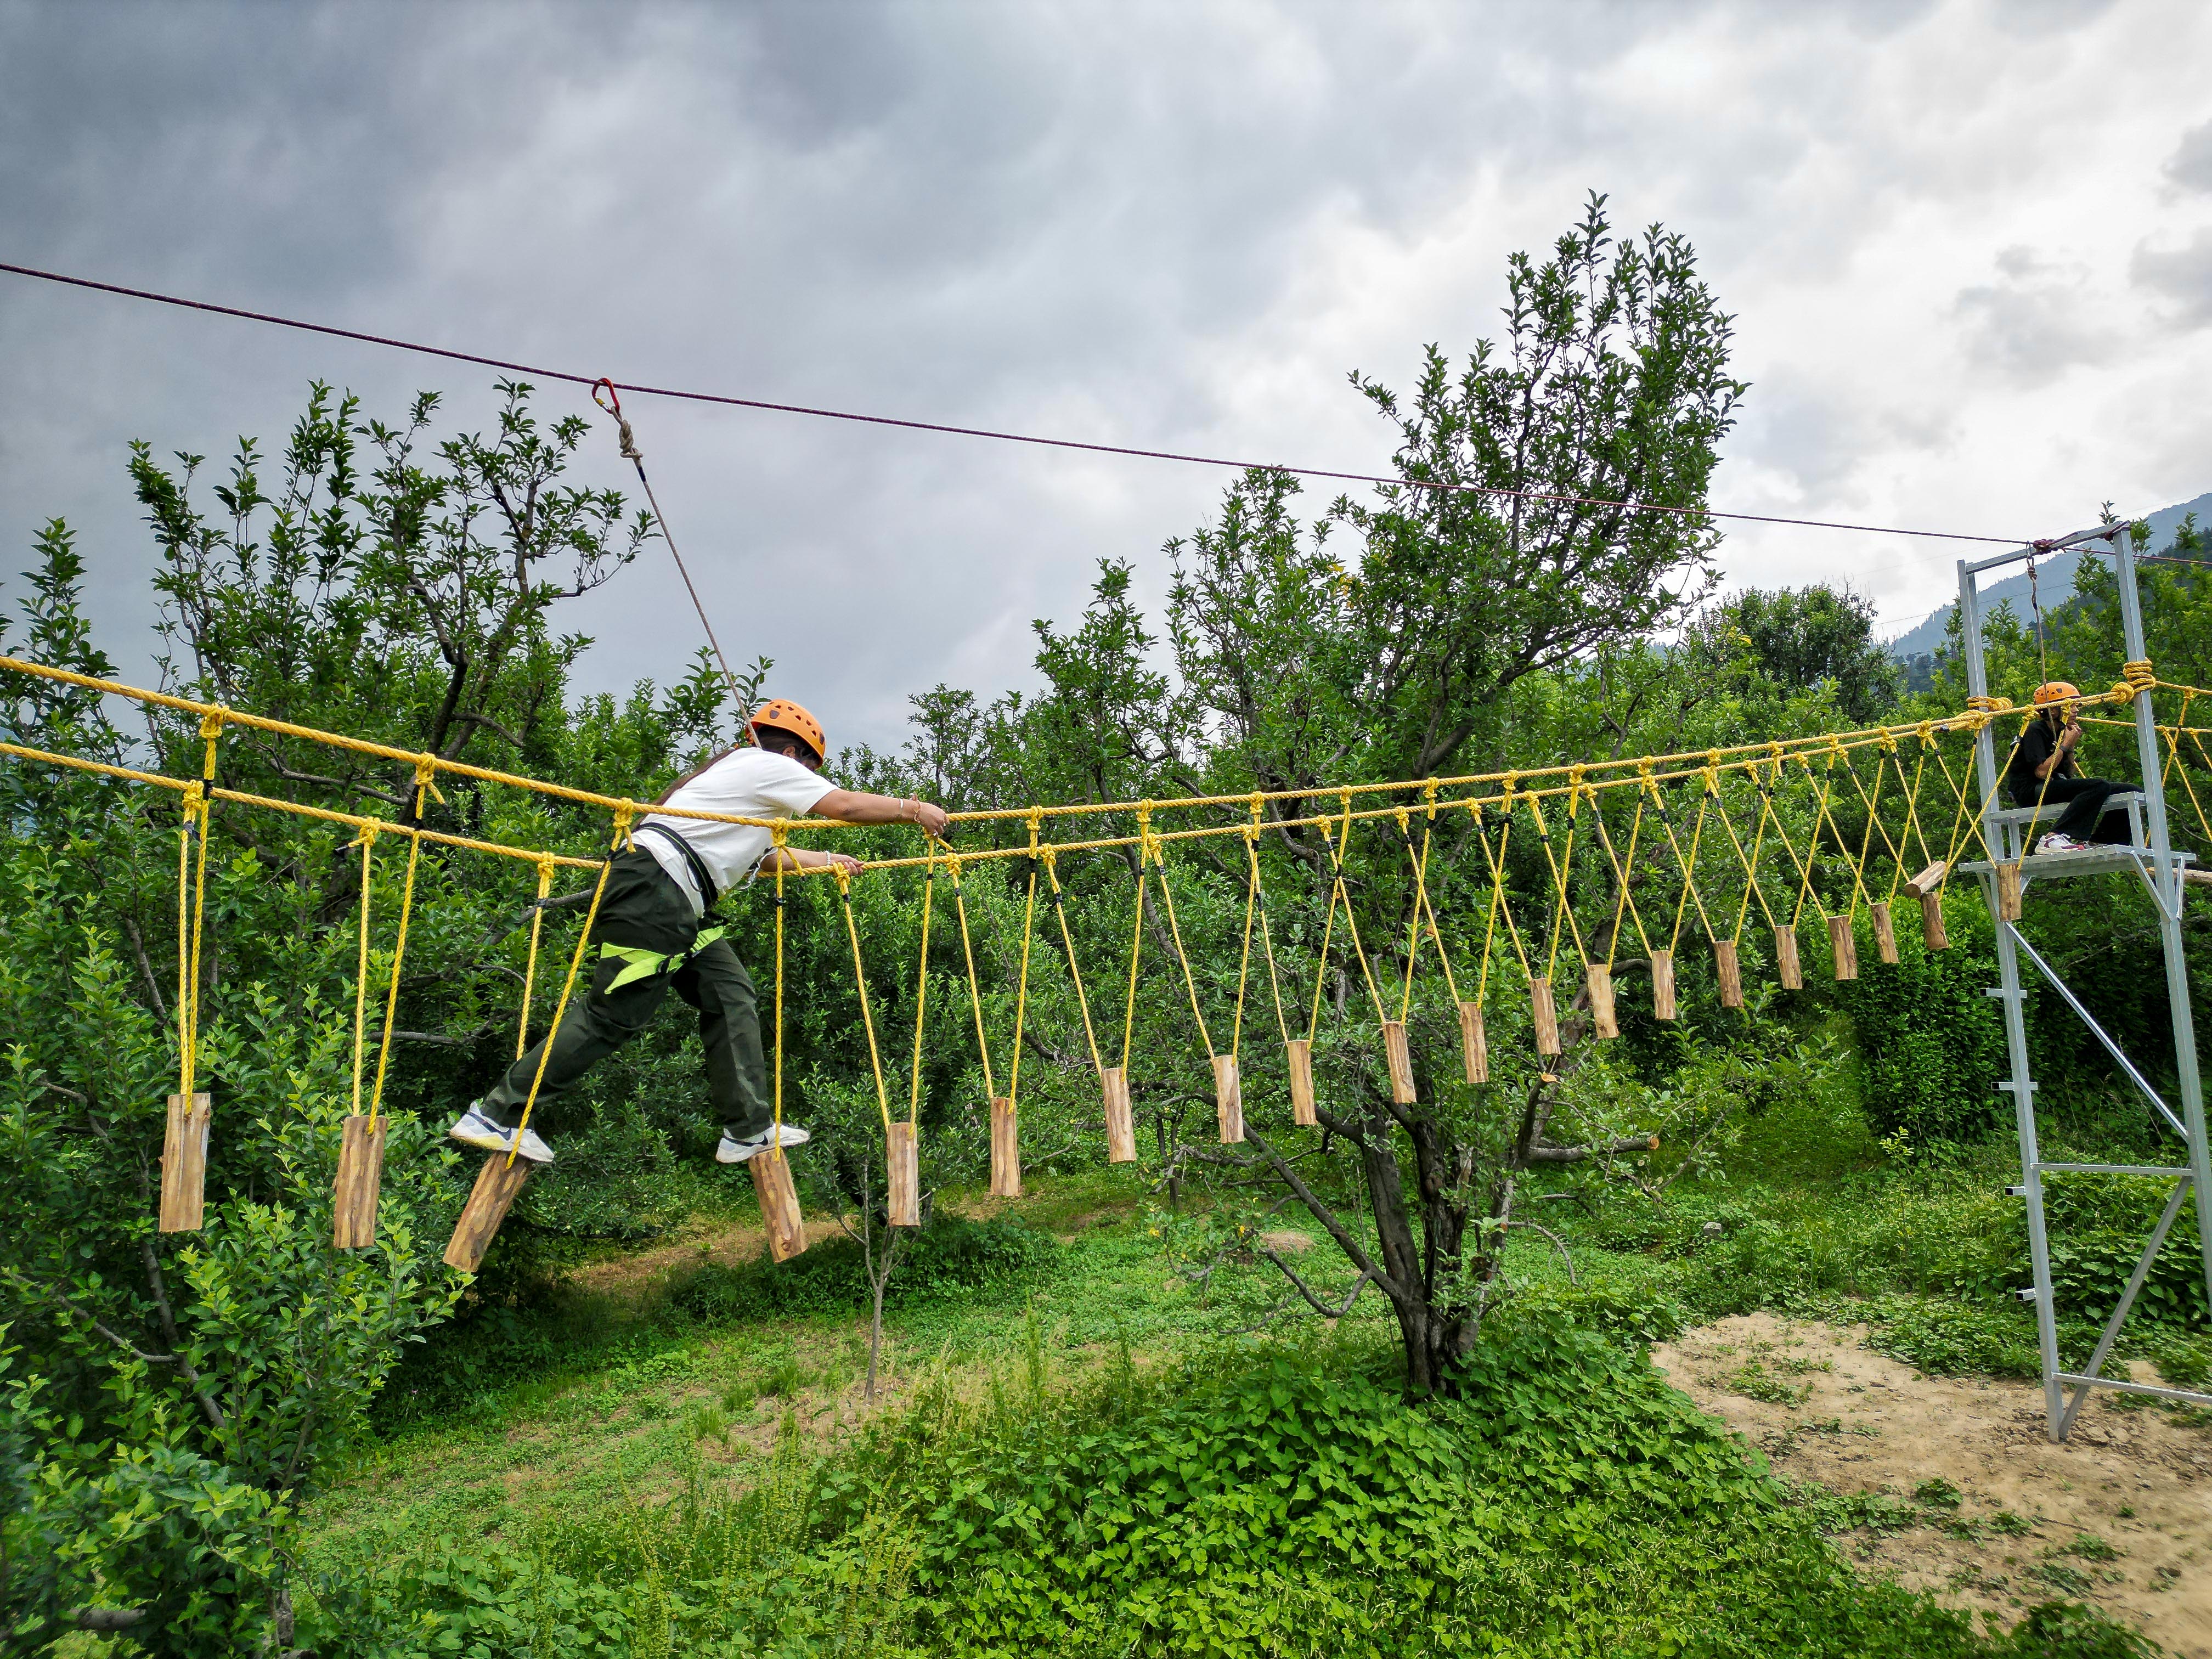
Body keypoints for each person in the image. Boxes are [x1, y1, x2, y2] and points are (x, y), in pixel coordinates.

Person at [447, 699, 950, 1165]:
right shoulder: (768, 766)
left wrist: (828, 860)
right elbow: (844, 807)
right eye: (811, 775)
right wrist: (913, 810)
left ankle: (747, 1129)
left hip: (678, 901)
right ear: (795, 754)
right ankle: (498, 1114)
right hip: (655, 890)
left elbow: (764, 858)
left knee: (730, 994)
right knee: (612, 1016)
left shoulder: (743, 790)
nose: (809, 787)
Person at [2006, 680, 2127, 854]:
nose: (2076, 710)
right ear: (2053, 709)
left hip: (2052, 785)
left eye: (2076, 705)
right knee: (2098, 785)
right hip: (2031, 790)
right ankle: (2054, 837)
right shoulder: (2034, 731)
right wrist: (2066, 744)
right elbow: (2041, 773)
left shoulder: (2062, 730)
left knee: (2129, 790)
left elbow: (2068, 773)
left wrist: (2070, 747)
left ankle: (2104, 840)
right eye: (2071, 706)